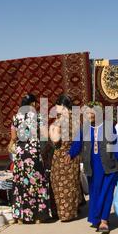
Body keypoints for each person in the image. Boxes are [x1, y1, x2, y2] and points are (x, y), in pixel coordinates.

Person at [67, 101, 118, 234]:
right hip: (92, 167)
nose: (89, 114)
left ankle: (104, 220)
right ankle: (97, 217)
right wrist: (70, 154)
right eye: (88, 112)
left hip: (109, 165)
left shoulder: (108, 126)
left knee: (107, 192)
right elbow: (77, 143)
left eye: (92, 111)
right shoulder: (85, 128)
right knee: (95, 194)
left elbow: (115, 144)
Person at [10, 93, 52, 223]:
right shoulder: (38, 117)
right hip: (34, 153)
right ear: (33, 104)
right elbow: (45, 135)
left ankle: (22, 217)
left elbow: (13, 138)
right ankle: (39, 216)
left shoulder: (16, 118)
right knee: (37, 183)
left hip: (21, 154)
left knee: (21, 184)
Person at [49, 94, 81, 222]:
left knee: (60, 184)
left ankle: (65, 214)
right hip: (73, 155)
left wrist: (51, 129)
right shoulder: (76, 119)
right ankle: (73, 211)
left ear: (61, 106)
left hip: (62, 156)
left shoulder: (59, 121)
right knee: (72, 184)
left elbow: (56, 140)